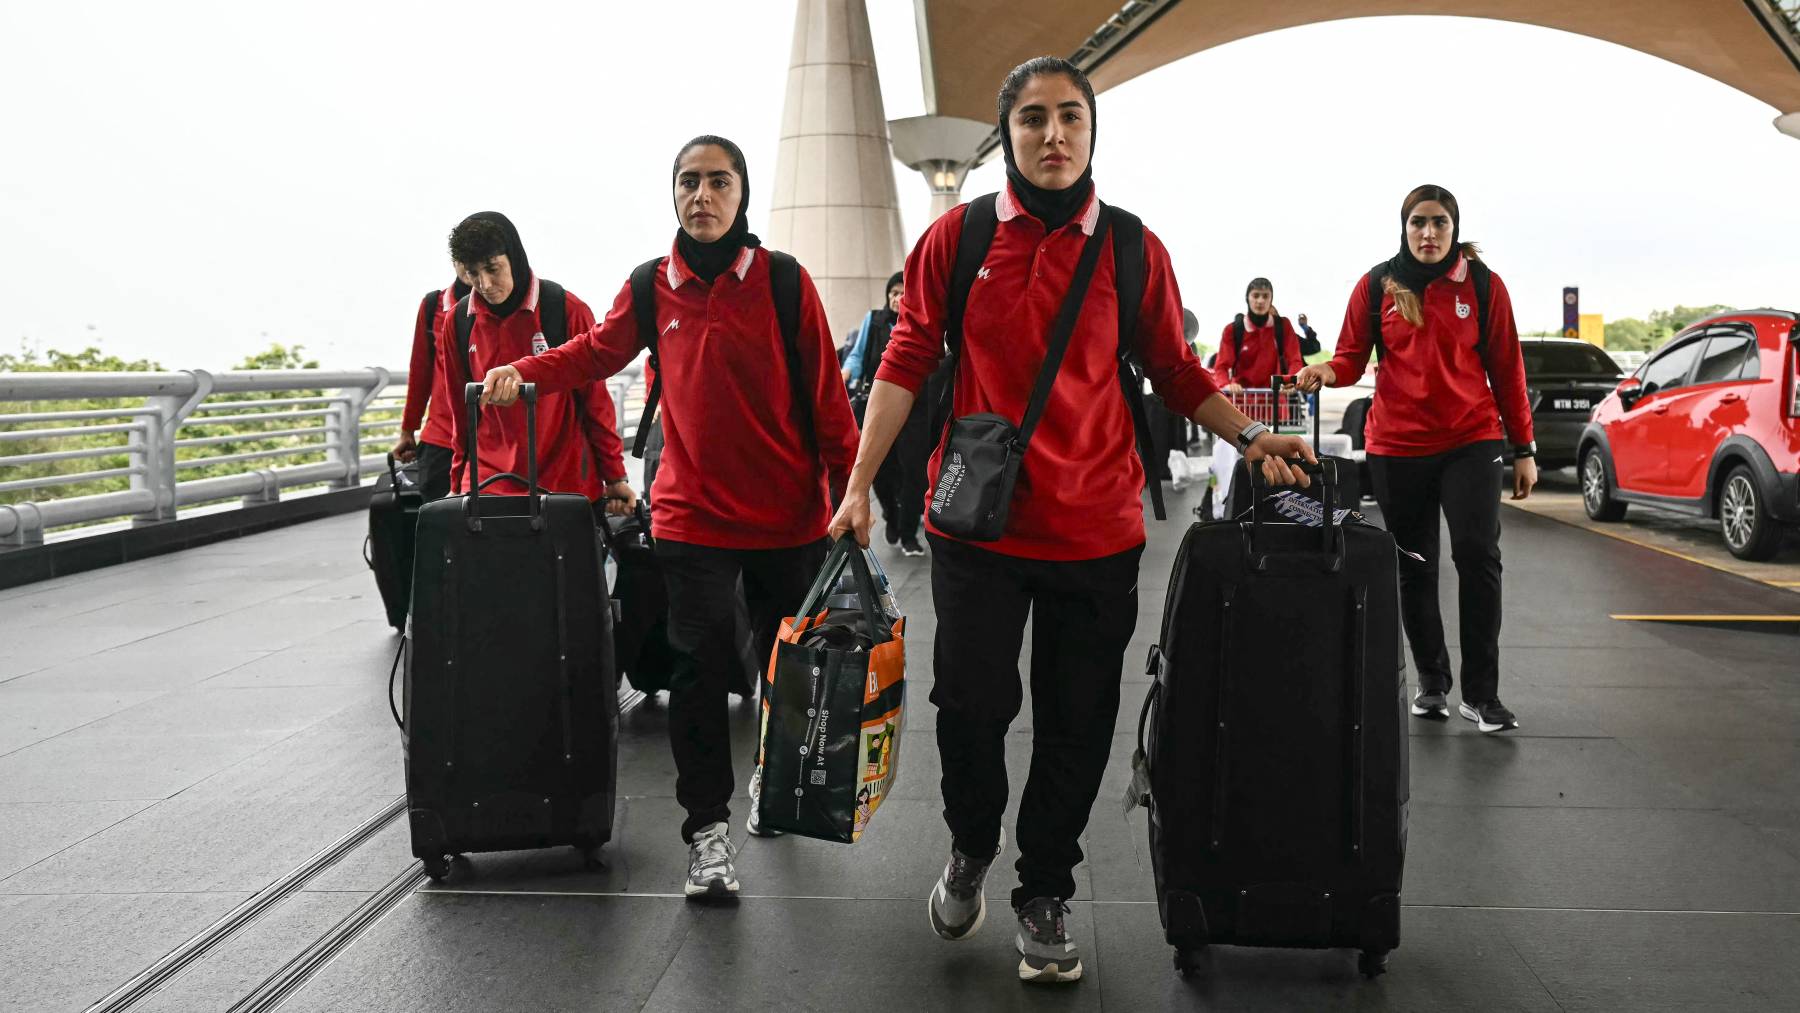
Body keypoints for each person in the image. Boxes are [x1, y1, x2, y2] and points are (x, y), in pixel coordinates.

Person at [829, 57, 1314, 985]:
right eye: (1034, 121)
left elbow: (1174, 368)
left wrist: (1253, 434)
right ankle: (973, 843)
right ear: (1006, 136)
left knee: (1078, 720)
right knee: (969, 706)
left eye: (1071, 119)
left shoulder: (1132, 248)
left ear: (1092, 134)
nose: (1054, 136)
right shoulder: (959, 238)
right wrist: (857, 482)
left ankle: (1044, 886)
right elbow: (905, 357)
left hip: (1096, 529)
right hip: (976, 527)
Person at [479, 136, 858, 901]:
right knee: (697, 668)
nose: (702, 196)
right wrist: (524, 372)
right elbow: (594, 352)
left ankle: (771, 783)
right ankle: (707, 831)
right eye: (689, 182)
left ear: (742, 194)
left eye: (719, 181)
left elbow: (826, 398)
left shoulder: (784, 281)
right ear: (674, 195)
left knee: (790, 669)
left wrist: (854, 493)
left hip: (789, 514)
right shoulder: (653, 286)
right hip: (691, 515)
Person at [1296, 184, 1536, 734]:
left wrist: (1523, 448)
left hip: (1471, 441)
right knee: (1416, 563)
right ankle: (1433, 683)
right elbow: (1352, 358)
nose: (1429, 234)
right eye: (1418, 224)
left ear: (1455, 228)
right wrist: (1325, 371)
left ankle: (1482, 694)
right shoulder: (1376, 285)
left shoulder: (1482, 285)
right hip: (1398, 447)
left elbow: (1508, 369)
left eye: (1440, 223)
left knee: (1478, 556)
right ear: (1404, 229)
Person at [441, 212, 633, 519]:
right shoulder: (459, 322)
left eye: (493, 268)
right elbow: (460, 409)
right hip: (489, 483)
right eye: (472, 274)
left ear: (514, 258)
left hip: (563, 481)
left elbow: (596, 403)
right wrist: (457, 483)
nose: (485, 284)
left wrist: (615, 476)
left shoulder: (565, 309)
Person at [843, 272, 928, 555]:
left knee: (913, 470)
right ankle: (892, 515)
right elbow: (857, 354)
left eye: (903, 292)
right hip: (877, 405)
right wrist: (846, 374)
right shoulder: (875, 320)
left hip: (916, 407)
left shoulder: (922, 323)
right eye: (893, 292)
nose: (896, 298)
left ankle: (908, 535)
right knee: (881, 471)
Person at [1206, 278, 1305, 519]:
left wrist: (1291, 379)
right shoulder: (1234, 330)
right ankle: (1229, 506)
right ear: (1248, 298)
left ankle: (1276, 509)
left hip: (1274, 408)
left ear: (1271, 299)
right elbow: (1221, 367)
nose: (1260, 301)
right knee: (1231, 458)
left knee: (1276, 462)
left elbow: (1294, 360)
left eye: (1265, 296)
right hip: (1244, 409)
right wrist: (1227, 384)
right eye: (1256, 296)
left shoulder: (1282, 327)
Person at [392, 266, 471, 499]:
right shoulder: (433, 305)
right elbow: (420, 372)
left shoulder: (506, 307)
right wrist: (408, 430)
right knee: (436, 525)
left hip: (494, 445)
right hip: (441, 439)